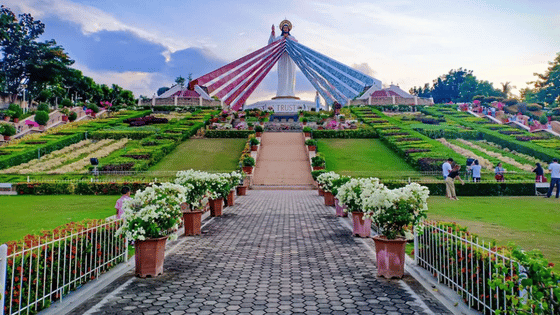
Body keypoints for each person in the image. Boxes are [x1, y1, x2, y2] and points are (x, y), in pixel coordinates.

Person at [269, 20, 297, 98]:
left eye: (286, 28)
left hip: (290, 57)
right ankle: (281, 92)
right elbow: (272, 44)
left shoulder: (292, 37)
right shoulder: (279, 38)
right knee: (282, 74)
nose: (285, 29)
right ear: (282, 29)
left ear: (289, 29)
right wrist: (273, 34)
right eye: (284, 28)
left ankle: (290, 92)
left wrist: (287, 38)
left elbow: (296, 44)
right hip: (282, 57)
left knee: (290, 74)